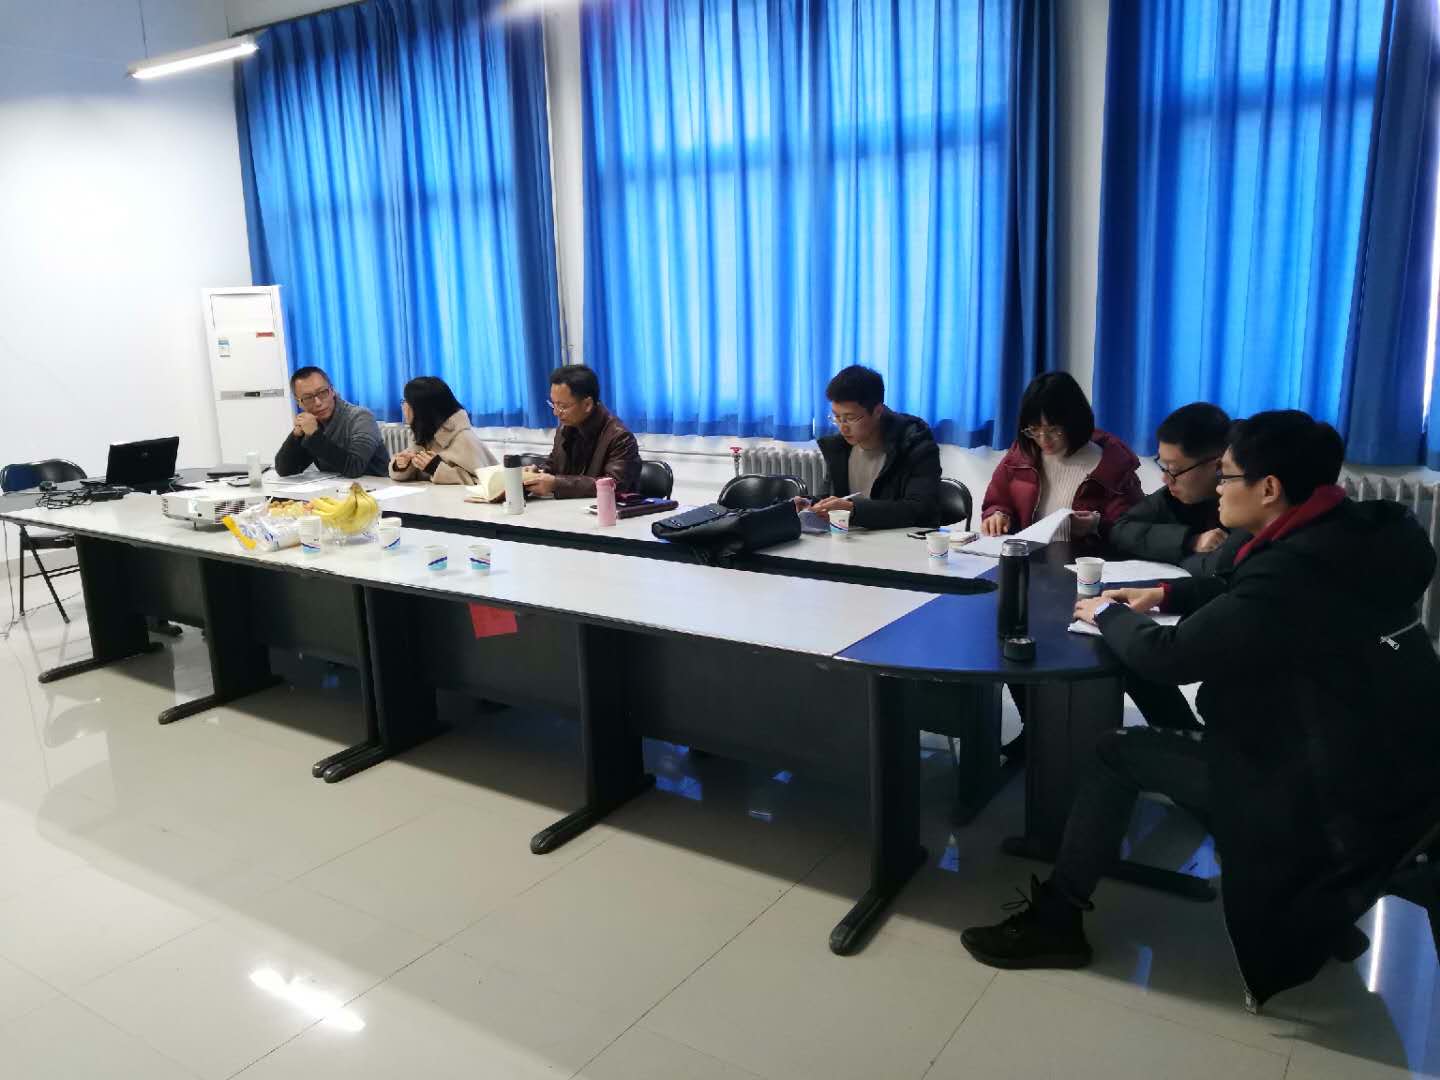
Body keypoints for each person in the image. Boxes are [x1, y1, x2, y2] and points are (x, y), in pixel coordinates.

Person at [961, 411, 1440, 1011]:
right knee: (1173, 724)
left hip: (1318, 784)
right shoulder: (1350, 535)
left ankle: (1058, 921)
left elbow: (1169, 657)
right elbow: (1243, 589)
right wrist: (1163, 592)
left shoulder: (1294, 570)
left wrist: (1107, 614)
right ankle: (1312, 899)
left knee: (1116, 752)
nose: (1217, 486)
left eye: (1228, 476)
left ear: (1269, 488)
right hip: (1391, 768)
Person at [981, 372, 1142, 544]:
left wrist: (1096, 525)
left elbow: (1134, 529)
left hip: (1083, 559)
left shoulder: (1114, 467)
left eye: (1053, 430)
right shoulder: (1020, 456)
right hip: (1028, 555)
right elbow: (997, 501)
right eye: (1034, 430)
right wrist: (998, 515)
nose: (1043, 439)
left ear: (1074, 421)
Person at [1110, 402, 1250, 575]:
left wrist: (1182, 557)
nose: (1166, 478)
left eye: (1174, 469)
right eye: (1164, 466)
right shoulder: (1177, 494)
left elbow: (1218, 567)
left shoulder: (1247, 503)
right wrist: (1189, 541)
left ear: (1217, 466)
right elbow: (1120, 530)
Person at [802, 365, 941, 529]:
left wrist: (854, 510)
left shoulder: (915, 444)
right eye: (837, 417)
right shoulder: (839, 447)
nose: (842, 427)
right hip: (851, 540)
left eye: (850, 418)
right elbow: (831, 497)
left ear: (877, 411)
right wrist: (810, 504)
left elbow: (921, 509)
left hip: (899, 542)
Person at [523, 365, 641, 499]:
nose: (556, 413)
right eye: (553, 404)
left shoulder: (620, 437)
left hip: (607, 509)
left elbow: (614, 485)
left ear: (587, 404)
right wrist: (538, 472)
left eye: (563, 406)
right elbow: (554, 464)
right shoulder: (564, 428)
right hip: (570, 507)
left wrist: (556, 484)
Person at [274, 366, 390, 478]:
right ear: (299, 403)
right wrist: (296, 436)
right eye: (308, 398)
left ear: (332, 391)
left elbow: (354, 467)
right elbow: (285, 470)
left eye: (322, 392)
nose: (318, 402)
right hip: (337, 487)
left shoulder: (360, 417)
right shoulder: (312, 423)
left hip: (378, 487)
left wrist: (314, 435)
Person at [388, 376, 497, 485]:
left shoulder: (462, 438)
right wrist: (401, 466)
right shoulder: (424, 434)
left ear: (421, 409)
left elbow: (483, 483)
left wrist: (435, 468)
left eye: (406, 401)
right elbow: (412, 476)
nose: (403, 406)